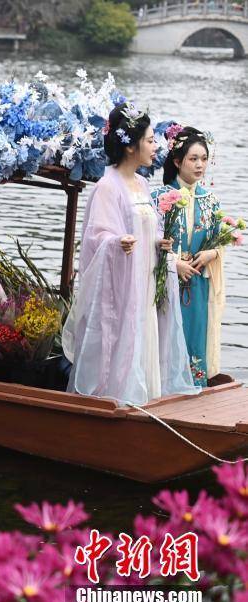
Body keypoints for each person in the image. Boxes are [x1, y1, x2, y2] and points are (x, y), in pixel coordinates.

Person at [62, 103, 198, 406]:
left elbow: (148, 228)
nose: (155, 146)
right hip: (124, 288)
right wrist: (115, 242)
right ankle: (118, 401)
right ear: (130, 146)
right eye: (150, 140)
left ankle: (148, 400)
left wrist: (160, 243)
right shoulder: (107, 187)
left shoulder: (143, 184)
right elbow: (96, 238)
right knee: (124, 339)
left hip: (146, 282)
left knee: (147, 336)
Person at [151, 126, 224, 387]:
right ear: (177, 161)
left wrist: (211, 253)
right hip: (167, 282)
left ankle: (195, 387)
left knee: (195, 337)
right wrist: (174, 264)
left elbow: (220, 240)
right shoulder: (158, 198)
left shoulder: (211, 201)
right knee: (167, 336)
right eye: (193, 159)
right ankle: (163, 386)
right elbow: (151, 243)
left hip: (197, 283)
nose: (199, 165)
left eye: (204, 159)